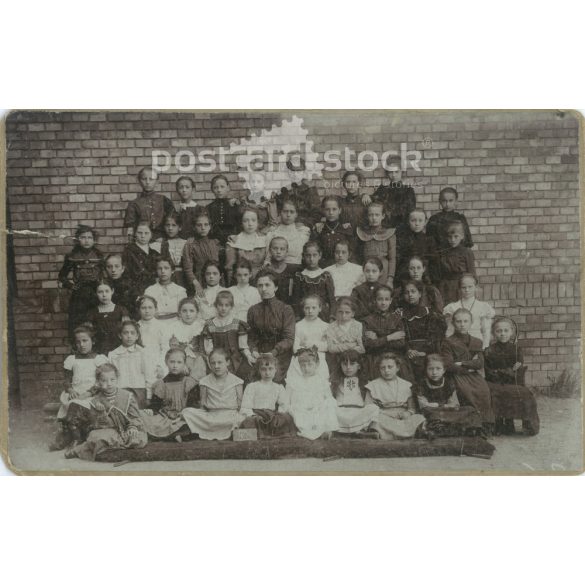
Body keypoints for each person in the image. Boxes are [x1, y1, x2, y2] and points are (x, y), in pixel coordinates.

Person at [63, 363, 147, 461]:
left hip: (127, 428)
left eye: (112, 380)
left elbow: (135, 416)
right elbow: (97, 425)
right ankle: (79, 450)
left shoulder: (127, 396)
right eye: (104, 380)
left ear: (117, 379)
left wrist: (133, 427)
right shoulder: (96, 400)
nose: (109, 383)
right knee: (94, 437)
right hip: (109, 430)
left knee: (138, 438)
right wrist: (101, 413)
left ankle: (107, 445)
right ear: (98, 382)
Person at [49, 324, 108, 451]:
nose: (82, 345)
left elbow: (102, 381)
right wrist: (70, 389)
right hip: (75, 393)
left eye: (85, 341)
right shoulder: (71, 359)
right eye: (78, 342)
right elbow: (66, 379)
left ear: (93, 341)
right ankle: (69, 437)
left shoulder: (98, 359)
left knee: (74, 409)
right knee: (71, 406)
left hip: (92, 395)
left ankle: (76, 439)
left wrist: (89, 393)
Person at [440, 308, 495, 432]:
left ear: (471, 323)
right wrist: (469, 366)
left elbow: (480, 363)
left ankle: (484, 425)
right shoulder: (448, 342)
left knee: (484, 391)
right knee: (465, 391)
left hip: (473, 376)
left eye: (466, 321)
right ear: (453, 323)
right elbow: (448, 364)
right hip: (456, 375)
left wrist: (462, 363)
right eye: (459, 321)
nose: (462, 324)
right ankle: (471, 425)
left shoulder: (477, 342)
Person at [484, 317, 539, 436]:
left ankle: (518, 424)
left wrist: (502, 372)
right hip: (494, 383)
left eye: (505, 330)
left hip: (513, 383)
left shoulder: (516, 350)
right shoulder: (489, 351)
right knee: (494, 392)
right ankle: (498, 424)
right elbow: (490, 373)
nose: (502, 334)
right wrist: (509, 370)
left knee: (524, 393)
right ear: (494, 333)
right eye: (499, 331)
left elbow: (518, 372)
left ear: (511, 332)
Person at [181, 348, 245, 440]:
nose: (216, 366)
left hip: (230, 416)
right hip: (211, 416)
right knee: (186, 412)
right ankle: (207, 430)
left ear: (227, 362)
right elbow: (203, 404)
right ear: (209, 364)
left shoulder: (237, 381)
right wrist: (204, 416)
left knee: (242, 417)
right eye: (213, 363)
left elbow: (240, 404)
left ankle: (219, 431)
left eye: (220, 362)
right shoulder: (204, 381)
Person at [414, 353, 483, 437]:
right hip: (431, 412)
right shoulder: (421, 384)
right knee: (430, 415)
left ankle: (448, 428)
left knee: (470, 410)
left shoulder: (449, 383)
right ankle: (442, 429)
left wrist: (440, 405)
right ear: (426, 370)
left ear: (444, 370)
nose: (434, 372)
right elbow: (423, 405)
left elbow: (454, 404)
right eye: (430, 369)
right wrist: (442, 406)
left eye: (438, 369)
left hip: (446, 411)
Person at [247, 271, 296, 384]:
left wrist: (273, 352)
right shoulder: (253, 310)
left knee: (274, 379)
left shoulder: (285, 309)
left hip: (281, 355)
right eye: (260, 285)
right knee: (252, 379)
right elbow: (252, 336)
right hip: (260, 354)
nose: (263, 289)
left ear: (276, 287)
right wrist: (253, 350)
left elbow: (289, 339)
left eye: (267, 285)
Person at [140, 348, 199, 441]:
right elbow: (156, 405)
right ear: (166, 362)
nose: (175, 365)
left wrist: (183, 416)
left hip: (183, 417)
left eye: (179, 362)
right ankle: (175, 435)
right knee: (143, 416)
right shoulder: (161, 384)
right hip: (165, 417)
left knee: (193, 423)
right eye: (172, 362)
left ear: (184, 364)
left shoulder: (189, 383)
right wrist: (150, 410)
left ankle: (169, 435)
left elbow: (193, 406)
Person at [58, 224, 104, 340]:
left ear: (94, 240)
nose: (86, 240)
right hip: (79, 296)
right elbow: (62, 276)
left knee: (96, 323)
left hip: (95, 294)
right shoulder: (72, 256)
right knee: (77, 324)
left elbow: (104, 275)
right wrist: (71, 286)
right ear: (78, 240)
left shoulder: (99, 255)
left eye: (89, 237)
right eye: (83, 237)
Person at [395, 280, 447, 382]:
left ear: (419, 294)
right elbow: (400, 336)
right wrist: (408, 350)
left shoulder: (430, 313)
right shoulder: (400, 314)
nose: (410, 295)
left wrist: (424, 352)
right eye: (407, 292)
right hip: (408, 352)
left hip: (427, 352)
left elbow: (435, 337)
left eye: (413, 292)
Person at [365, 353, 425, 440]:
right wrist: (385, 413)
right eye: (383, 368)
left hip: (402, 417)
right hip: (384, 416)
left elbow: (411, 408)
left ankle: (387, 435)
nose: (386, 370)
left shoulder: (406, 385)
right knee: (376, 422)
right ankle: (406, 435)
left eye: (390, 367)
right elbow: (368, 408)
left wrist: (408, 413)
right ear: (379, 369)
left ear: (397, 368)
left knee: (418, 418)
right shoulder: (372, 386)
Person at [238, 354, 296, 438]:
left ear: (275, 370)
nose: (267, 373)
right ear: (259, 370)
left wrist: (279, 414)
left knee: (287, 418)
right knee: (248, 422)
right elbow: (246, 406)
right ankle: (257, 434)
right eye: (263, 369)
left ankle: (272, 433)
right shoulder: (252, 386)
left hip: (271, 415)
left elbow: (284, 404)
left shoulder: (278, 387)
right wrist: (252, 415)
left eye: (270, 369)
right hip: (256, 415)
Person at [286, 347, 339, 440]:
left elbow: (328, 397)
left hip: (317, 408)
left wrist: (320, 405)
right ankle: (310, 432)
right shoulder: (294, 381)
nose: (306, 368)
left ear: (317, 364)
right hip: (301, 408)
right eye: (303, 365)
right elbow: (287, 399)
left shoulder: (321, 381)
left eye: (310, 364)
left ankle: (324, 430)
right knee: (297, 413)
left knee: (328, 405)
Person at [201, 290, 252, 379]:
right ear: (216, 306)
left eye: (227, 305)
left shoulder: (237, 324)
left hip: (235, 360)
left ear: (231, 307)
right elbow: (208, 350)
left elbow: (243, 346)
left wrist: (249, 356)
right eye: (220, 305)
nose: (223, 308)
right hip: (216, 361)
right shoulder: (210, 325)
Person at [363, 286, 410, 381]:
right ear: (375, 300)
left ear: (391, 300)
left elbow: (401, 344)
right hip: (375, 358)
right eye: (380, 299)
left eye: (386, 299)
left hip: (395, 357)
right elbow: (368, 345)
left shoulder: (397, 319)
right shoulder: (368, 320)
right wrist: (390, 337)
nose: (383, 302)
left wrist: (378, 339)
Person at [107, 320, 155, 409]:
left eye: (132, 333)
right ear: (120, 335)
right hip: (120, 392)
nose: (129, 336)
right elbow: (111, 377)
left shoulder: (143, 353)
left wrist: (148, 397)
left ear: (137, 336)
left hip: (139, 392)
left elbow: (149, 375)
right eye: (125, 333)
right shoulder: (113, 354)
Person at [331, 350, 379, 436]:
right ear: (340, 365)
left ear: (359, 366)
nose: (348, 367)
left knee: (373, 408)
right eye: (345, 364)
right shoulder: (335, 382)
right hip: (341, 413)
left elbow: (368, 403)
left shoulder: (366, 383)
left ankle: (360, 431)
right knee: (328, 408)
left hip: (358, 413)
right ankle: (339, 430)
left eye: (352, 364)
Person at [443, 274, 494, 349]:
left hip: (477, 343)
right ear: (460, 289)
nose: (467, 290)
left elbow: (485, 330)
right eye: (464, 287)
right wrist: (450, 346)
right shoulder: (452, 307)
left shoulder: (483, 307)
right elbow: (450, 330)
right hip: (458, 344)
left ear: (475, 287)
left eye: (470, 287)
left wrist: (484, 348)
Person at [124, 167, 174, 241]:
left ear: (157, 182)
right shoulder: (133, 204)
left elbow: (172, 222)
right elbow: (130, 229)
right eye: (144, 179)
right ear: (139, 181)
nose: (147, 182)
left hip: (161, 240)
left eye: (151, 179)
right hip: (141, 240)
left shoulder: (164, 200)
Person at [287, 295, 330, 382]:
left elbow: (326, 346)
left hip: (318, 359)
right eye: (307, 308)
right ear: (303, 309)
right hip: (301, 358)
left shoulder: (325, 326)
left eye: (314, 308)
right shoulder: (298, 325)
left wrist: (309, 344)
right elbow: (295, 348)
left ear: (320, 308)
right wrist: (316, 345)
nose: (310, 311)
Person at [291, 241, 336, 321]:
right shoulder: (300, 276)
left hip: (322, 315)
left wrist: (332, 316)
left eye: (314, 255)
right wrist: (297, 317)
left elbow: (331, 299)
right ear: (303, 256)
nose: (311, 259)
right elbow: (296, 299)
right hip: (305, 314)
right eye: (308, 255)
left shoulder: (325, 276)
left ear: (320, 255)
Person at [166, 297, 207, 382]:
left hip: (198, 359)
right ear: (179, 313)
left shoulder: (200, 326)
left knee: (199, 369)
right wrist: (182, 363)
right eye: (184, 311)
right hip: (179, 359)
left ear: (197, 313)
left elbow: (204, 348)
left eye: (191, 311)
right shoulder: (175, 326)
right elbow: (173, 348)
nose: (188, 314)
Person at [356, 202, 396, 287]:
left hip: (383, 270)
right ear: (367, 216)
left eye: (377, 215)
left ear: (383, 216)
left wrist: (390, 279)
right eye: (371, 215)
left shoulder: (389, 233)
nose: (374, 218)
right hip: (367, 269)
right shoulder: (363, 233)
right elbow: (359, 256)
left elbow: (392, 258)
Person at [181, 212, 222, 296]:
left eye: (206, 225)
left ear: (210, 226)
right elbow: (187, 268)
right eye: (199, 225)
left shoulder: (216, 242)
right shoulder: (190, 244)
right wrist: (196, 284)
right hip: (199, 281)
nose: (203, 228)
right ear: (194, 227)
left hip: (217, 279)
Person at [85, 281, 130, 355]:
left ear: (112, 291)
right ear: (96, 293)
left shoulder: (121, 310)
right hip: (99, 350)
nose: (104, 295)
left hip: (118, 349)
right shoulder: (91, 313)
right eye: (100, 292)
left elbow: (127, 331)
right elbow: (87, 334)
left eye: (107, 291)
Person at [276, 154, 321, 228]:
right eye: (292, 171)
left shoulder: (310, 190)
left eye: (298, 171)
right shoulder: (283, 192)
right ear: (288, 173)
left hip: (303, 226)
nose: (295, 174)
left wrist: (305, 223)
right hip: (285, 226)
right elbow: (277, 212)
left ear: (303, 172)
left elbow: (317, 214)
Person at [225, 208, 268, 284]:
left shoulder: (264, 239)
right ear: (241, 223)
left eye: (253, 220)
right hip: (241, 281)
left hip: (261, 282)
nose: (250, 224)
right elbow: (230, 269)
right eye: (246, 221)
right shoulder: (234, 241)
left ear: (258, 222)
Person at [395, 209, 438, 284]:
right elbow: (399, 261)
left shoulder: (429, 240)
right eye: (413, 220)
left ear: (425, 222)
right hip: (405, 275)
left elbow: (433, 263)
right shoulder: (403, 239)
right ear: (408, 222)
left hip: (424, 276)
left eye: (420, 220)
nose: (417, 224)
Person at [438, 221, 476, 304]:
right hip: (446, 287)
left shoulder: (467, 252)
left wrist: (468, 287)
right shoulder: (443, 252)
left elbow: (472, 272)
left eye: (456, 236)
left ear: (462, 236)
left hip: (460, 286)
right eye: (450, 237)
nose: (452, 240)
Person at [311, 195, 355, 266]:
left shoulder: (346, 229)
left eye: (334, 209)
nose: (331, 212)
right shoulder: (319, 229)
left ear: (340, 210)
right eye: (327, 209)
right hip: (324, 267)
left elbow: (352, 253)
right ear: (323, 210)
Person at [325, 297, 365, 374]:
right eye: (340, 312)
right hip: (337, 359)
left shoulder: (358, 325)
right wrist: (352, 345)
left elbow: (361, 348)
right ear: (336, 312)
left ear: (353, 313)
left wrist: (340, 345)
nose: (343, 315)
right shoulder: (331, 326)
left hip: (354, 359)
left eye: (347, 312)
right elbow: (331, 348)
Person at [370, 162, 416, 229]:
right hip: (385, 227)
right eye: (391, 172)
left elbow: (411, 211)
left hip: (402, 227)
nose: (393, 175)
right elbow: (373, 200)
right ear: (388, 174)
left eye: (396, 172)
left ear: (401, 173)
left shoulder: (408, 190)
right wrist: (365, 195)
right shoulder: (383, 188)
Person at [426, 187, 473, 252]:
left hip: (458, 255)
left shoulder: (460, 218)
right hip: (439, 256)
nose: (447, 204)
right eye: (444, 201)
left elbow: (467, 242)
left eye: (450, 201)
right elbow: (429, 243)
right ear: (440, 201)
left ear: (456, 201)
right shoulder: (434, 219)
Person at [265, 199, 310, 265]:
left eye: (292, 212)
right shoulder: (273, 233)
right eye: (285, 211)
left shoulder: (303, 232)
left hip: (296, 268)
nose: (288, 215)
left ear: (296, 214)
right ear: (280, 213)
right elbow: (268, 258)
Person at [122, 221, 161, 295]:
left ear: (151, 235)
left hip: (153, 290)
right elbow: (126, 275)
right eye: (140, 233)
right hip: (135, 291)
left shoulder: (154, 253)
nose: (143, 236)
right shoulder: (129, 251)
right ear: (135, 234)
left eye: (146, 233)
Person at [144, 258, 187, 322]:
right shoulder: (150, 290)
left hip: (176, 324)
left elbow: (183, 312)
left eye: (166, 268)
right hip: (156, 325)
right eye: (159, 268)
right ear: (156, 270)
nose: (163, 271)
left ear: (172, 270)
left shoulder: (180, 291)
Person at [136, 295, 168, 379]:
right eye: (143, 308)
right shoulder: (136, 326)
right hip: (140, 362)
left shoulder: (162, 326)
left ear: (156, 309)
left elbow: (165, 348)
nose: (147, 311)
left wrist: (160, 365)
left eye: (150, 308)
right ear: (139, 310)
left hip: (157, 361)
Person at [206, 174, 241, 245]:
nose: (219, 190)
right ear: (212, 189)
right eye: (216, 187)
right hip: (215, 242)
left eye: (222, 187)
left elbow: (239, 225)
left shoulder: (234, 205)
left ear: (228, 188)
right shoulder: (209, 208)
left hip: (233, 241)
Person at [265, 237, 299, 306]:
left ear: (287, 252)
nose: (278, 252)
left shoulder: (294, 271)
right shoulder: (264, 272)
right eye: (275, 248)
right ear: (270, 250)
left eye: (282, 249)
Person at [104, 253, 138, 318]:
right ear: (105, 269)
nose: (113, 270)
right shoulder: (103, 285)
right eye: (109, 267)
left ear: (122, 269)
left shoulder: (130, 285)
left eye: (117, 266)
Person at [160, 211, 188, 288]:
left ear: (180, 227)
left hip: (183, 279)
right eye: (167, 225)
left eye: (174, 225)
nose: (170, 228)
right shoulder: (160, 243)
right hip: (167, 278)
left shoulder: (186, 243)